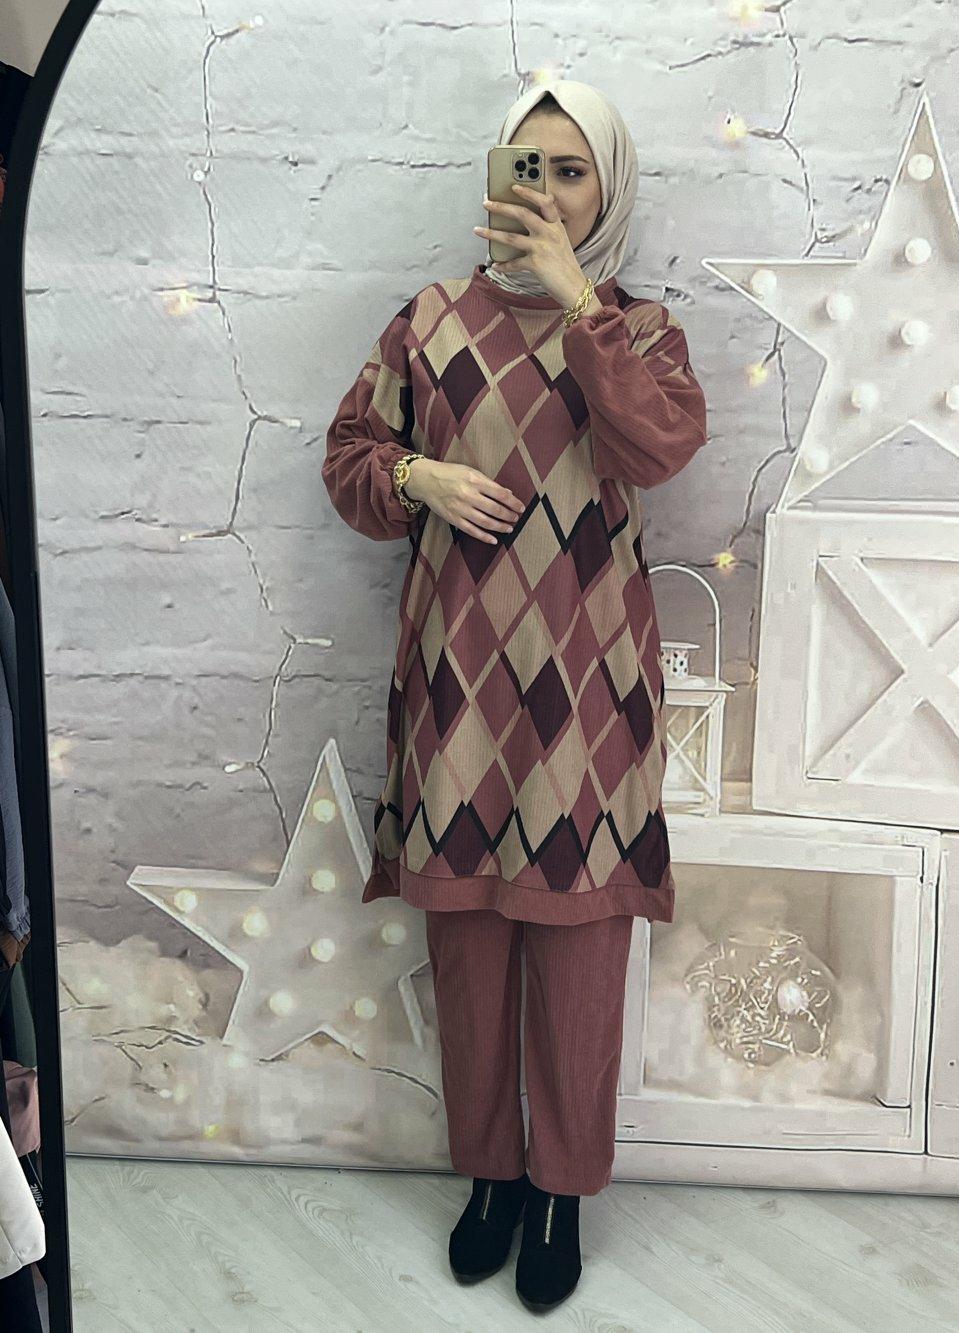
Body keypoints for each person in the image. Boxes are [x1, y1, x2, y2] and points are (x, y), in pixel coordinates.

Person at [321, 78, 708, 1312]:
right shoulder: (430, 319)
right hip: (459, 683)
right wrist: (420, 478)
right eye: (526, 165)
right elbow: (348, 459)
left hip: (588, 691)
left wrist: (581, 301)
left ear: (610, 189)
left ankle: (562, 1189)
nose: (546, 190)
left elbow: (657, 447)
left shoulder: (639, 330)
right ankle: (489, 1174)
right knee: (469, 941)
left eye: (571, 170)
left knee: (580, 945)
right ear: (495, 175)